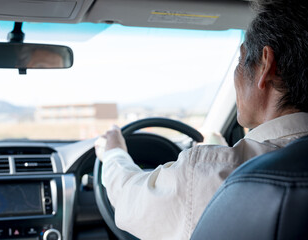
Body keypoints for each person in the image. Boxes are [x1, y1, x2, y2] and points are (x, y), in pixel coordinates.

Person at [94, 0, 308, 239]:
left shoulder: (207, 173)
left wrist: (112, 153)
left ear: (266, 66)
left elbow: (127, 198)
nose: (235, 75)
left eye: (240, 61)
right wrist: (220, 149)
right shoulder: (224, 168)